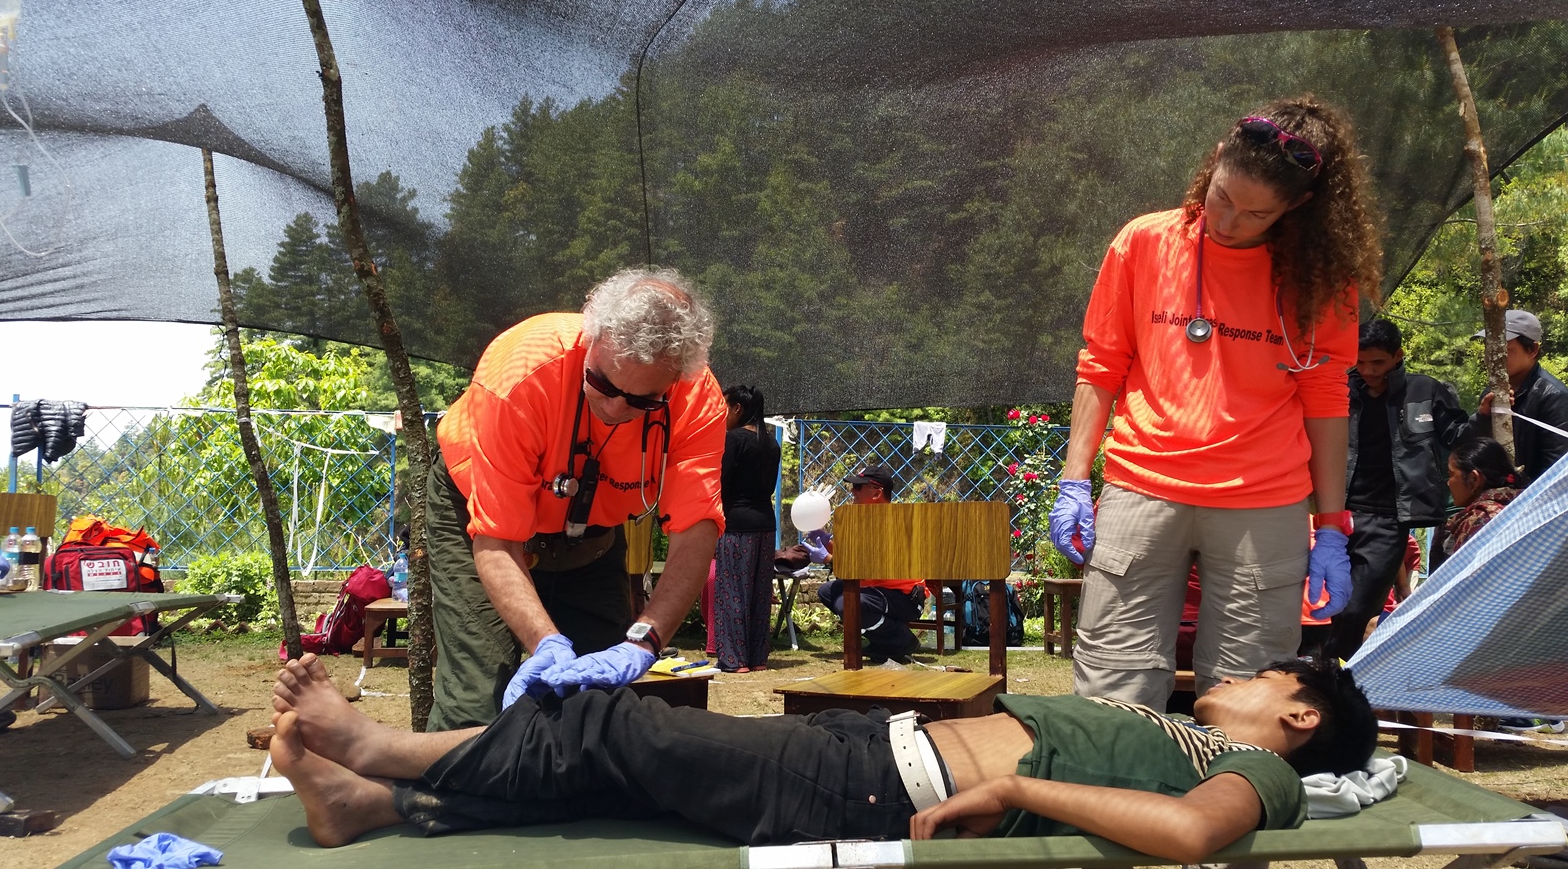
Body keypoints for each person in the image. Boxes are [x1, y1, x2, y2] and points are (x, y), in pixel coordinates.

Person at [270, 652, 1376, 860]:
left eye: (1267, 675)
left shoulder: (1262, 774)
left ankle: (379, 744)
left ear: (1296, 719)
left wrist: (1019, 783)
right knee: (616, 773)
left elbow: (1188, 835)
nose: (1237, 674)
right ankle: (370, 804)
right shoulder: (1175, 725)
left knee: (614, 721)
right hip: (865, 747)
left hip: (876, 787)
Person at [1050, 96, 1383, 711]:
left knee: (1247, 693)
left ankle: (1226, 802)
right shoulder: (1144, 242)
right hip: (1143, 488)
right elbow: (1100, 365)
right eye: (1224, 196)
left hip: (1265, 503)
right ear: (1216, 161)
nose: (1228, 220)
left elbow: (1326, 397)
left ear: (1296, 209)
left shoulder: (1321, 279)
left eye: (1256, 214)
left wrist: (1332, 524)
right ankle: (1112, 801)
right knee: (1112, 680)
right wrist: (1075, 479)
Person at [426, 268, 727, 731]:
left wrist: (644, 641)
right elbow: (498, 541)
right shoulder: (521, 374)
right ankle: (438, 797)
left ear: (676, 380)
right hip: (481, 519)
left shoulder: (697, 399)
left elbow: (696, 531)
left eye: (643, 401)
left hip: (593, 533)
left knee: (596, 707)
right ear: (592, 335)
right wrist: (545, 642)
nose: (614, 410)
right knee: (478, 702)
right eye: (603, 384)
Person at [1324, 319, 1468, 661]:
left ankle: (1334, 673)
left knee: (1359, 607)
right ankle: (1329, 673)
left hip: (1392, 518)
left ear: (1398, 356)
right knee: (1329, 601)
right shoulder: (1341, 389)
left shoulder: (1426, 391)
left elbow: (1458, 437)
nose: (1368, 370)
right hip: (1338, 513)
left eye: (1377, 362)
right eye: (1360, 362)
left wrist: (1486, 414)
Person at [1440, 437, 1562, 734]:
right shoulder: (1528, 507)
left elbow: (1466, 593)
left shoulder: (1481, 519)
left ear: (1475, 478)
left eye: (1452, 474)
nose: (1447, 483)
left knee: (1376, 627)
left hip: (1494, 636)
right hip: (1541, 631)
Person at [816, 465, 925, 663]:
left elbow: (867, 566)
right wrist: (828, 545)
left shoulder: (893, 522)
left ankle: (902, 640)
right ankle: (883, 642)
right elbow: (855, 558)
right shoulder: (865, 520)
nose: (852, 492)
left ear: (876, 493)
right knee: (827, 591)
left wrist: (829, 559)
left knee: (848, 603)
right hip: (877, 590)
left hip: (904, 597)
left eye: (858, 488)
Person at [713, 384, 781, 672]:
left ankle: (734, 659)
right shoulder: (772, 443)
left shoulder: (734, 439)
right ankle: (757, 658)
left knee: (732, 590)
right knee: (759, 592)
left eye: (724, 407)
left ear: (737, 409)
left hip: (737, 524)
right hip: (766, 524)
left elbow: (721, 483)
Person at [1469, 309, 1568, 483]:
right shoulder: (1490, 393)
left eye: (1504, 350)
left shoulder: (1553, 396)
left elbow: (1557, 470)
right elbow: (1475, 450)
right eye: (1489, 348)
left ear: (1532, 350)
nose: (1492, 358)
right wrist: (1482, 418)